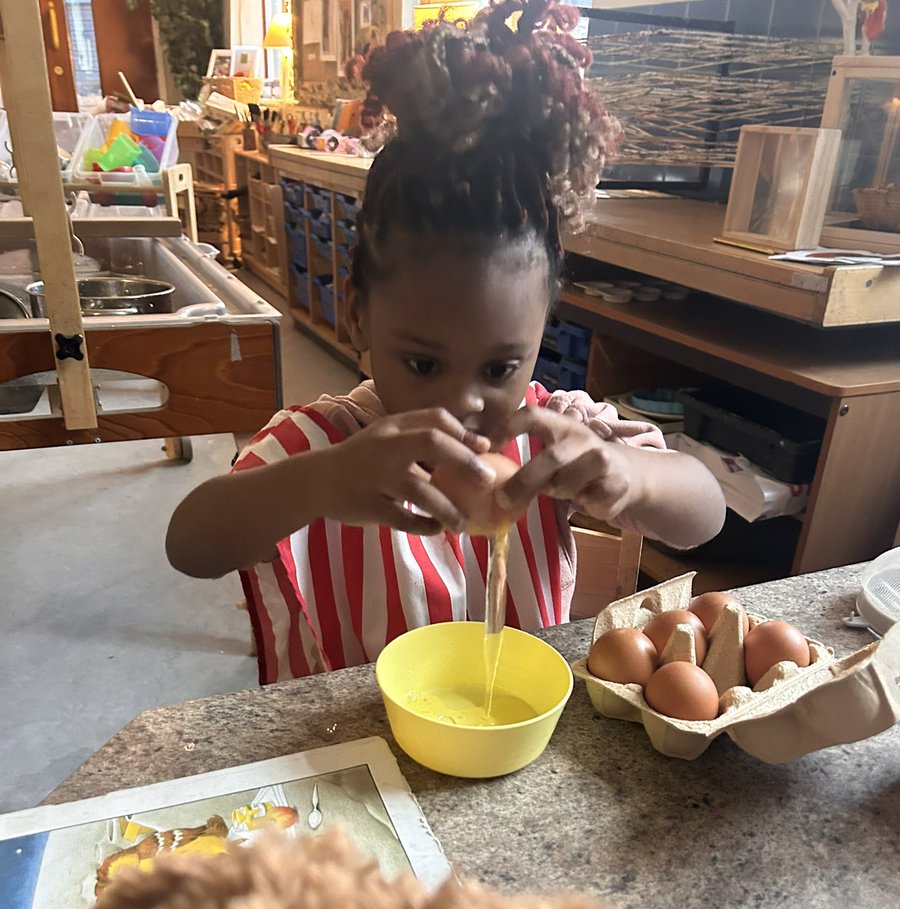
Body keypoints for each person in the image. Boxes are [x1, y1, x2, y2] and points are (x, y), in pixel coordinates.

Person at [166, 0, 725, 684]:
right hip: (361, 748)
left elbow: (704, 511)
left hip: (512, 749)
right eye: (424, 363)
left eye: (500, 366)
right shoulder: (325, 446)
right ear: (358, 318)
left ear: (539, 335)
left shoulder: (554, 438)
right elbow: (190, 544)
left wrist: (626, 474)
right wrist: (322, 483)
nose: (464, 402)